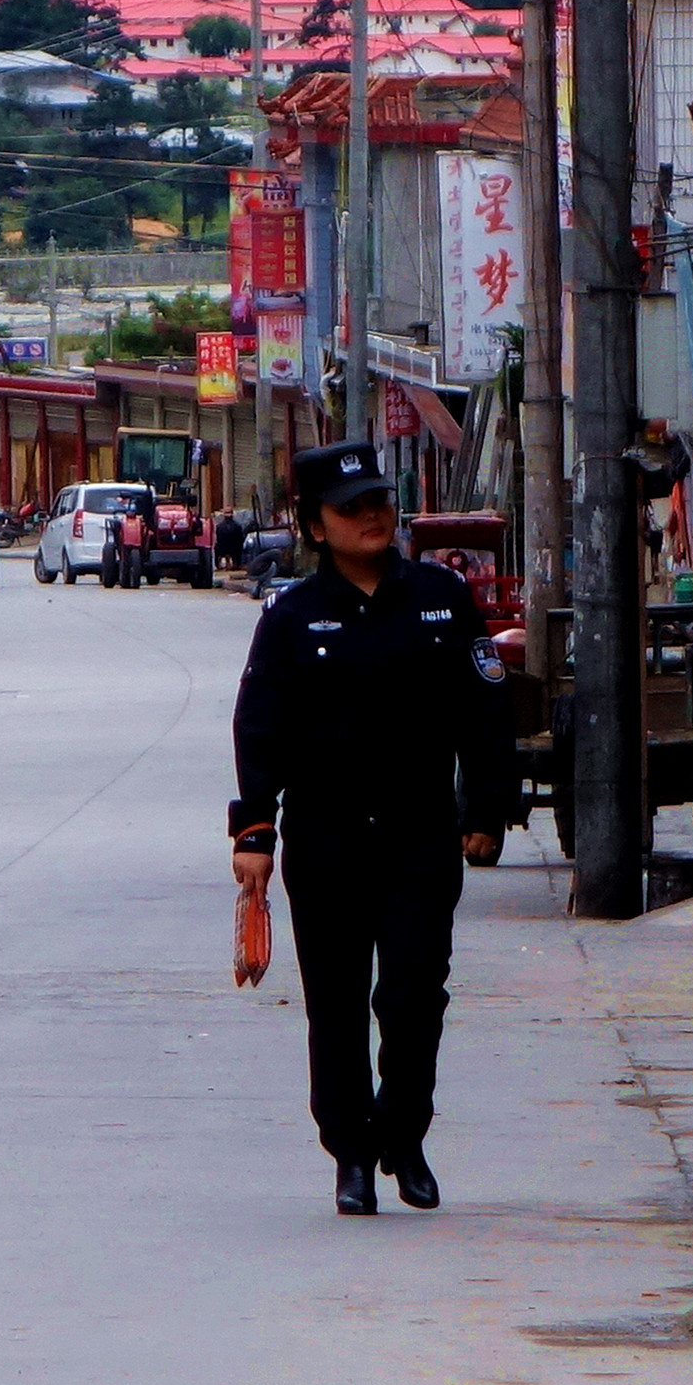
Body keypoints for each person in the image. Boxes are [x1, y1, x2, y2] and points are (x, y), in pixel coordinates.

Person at [230, 441, 517, 1216]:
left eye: (380, 504)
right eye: (351, 509)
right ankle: (351, 1154)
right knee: (336, 1001)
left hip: (420, 836)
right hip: (325, 841)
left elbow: (485, 710)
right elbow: (260, 728)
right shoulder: (292, 618)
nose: (371, 518)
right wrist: (255, 832)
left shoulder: (441, 597)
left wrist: (487, 810)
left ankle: (404, 1132)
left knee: (416, 993)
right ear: (314, 526)